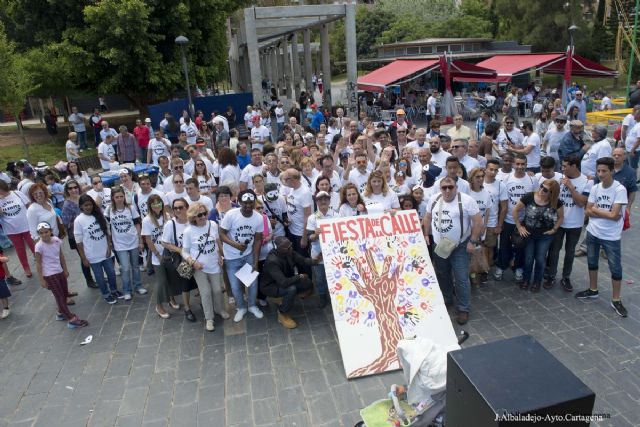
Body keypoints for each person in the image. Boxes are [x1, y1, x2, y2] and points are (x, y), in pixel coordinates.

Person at [423, 176, 483, 325]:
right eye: (444, 187)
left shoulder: (467, 201)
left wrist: (473, 241)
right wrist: (425, 233)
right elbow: (427, 217)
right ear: (440, 189)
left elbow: (478, 222)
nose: (448, 190)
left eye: (451, 187)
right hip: (440, 245)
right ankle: (447, 299)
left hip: (460, 246)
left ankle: (463, 308)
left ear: (456, 187)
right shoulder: (434, 199)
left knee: (462, 277)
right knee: (442, 273)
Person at [576, 157, 628, 318]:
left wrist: (597, 211)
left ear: (612, 171)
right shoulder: (596, 188)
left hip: (611, 236)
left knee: (615, 268)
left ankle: (616, 299)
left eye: (604, 171)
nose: (600, 174)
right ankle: (593, 290)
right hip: (593, 232)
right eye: (598, 171)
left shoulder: (619, 190)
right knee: (592, 262)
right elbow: (587, 211)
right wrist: (600, 212)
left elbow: (614, 215)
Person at [544, 154, 592, 291]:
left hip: (575, 224)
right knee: (554, 250)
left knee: (570, 252)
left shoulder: (587, 182)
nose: (562, 168)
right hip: (558, 223)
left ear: (574, 166)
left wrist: (571, 187)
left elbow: (581, 203)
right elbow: (543, 176)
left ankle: (566, 277)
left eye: (565, 166)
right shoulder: (559, 178)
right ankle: (551, 275)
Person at [182, 202, 228, 331]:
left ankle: (219, 309)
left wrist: (221, 256)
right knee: (206, 292)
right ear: (193, 217)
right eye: (199, 214)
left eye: (204, 213)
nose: (203, 216)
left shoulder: (212, 225)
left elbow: (218, 241)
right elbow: (184, 251)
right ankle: (209, 318)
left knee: (218, 290)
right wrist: (193, 262)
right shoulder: (189, 231)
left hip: (214, 263)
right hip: (199, 267)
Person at [219, 189, 264, 322]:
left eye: (251, 202)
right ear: (239, 202)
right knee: (235, 286)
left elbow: (257, 240)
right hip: (231, 258)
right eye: (245, 202)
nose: (248, 205)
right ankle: (241, 308)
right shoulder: (231, 215)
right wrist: (235, 245)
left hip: (248, 255)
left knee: (252, 283)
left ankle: (252, 306)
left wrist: (255, 262)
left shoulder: (258, 218)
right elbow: (221, 234)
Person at [513, 179, 563, 292]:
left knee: (540, 259)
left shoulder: (556, 202)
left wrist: (554, 229)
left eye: (545, 190)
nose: (541, 190)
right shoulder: (530, 196)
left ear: (552, 193)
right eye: (541, 186)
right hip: (529, 234)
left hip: (545, 236)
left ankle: (537, 282)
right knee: (528, 258)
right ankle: (526, 279)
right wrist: (520, 226)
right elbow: (515, 210)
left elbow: (561, 217)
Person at [35, 222, 88, 328]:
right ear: (39, 234)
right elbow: (38, 263)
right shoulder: (39, 246)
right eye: (41, 233)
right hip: (49, 274)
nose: (44, 235)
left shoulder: (56, 241)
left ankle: (60, 313)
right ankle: (71, 319)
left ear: (50, 231)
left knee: (64, 293)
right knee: (59, 295)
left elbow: (61, 256)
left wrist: (65, 269)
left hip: (59, 271)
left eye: (46, 232)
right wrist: (42, 279)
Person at [495, 154, 535, 282]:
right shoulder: (506, 179)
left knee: (521, 246)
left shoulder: (532, 180)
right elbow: (502, 201)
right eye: (517, 164)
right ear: (513, 164)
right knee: (504, 244)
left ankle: (518, 268)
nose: (520, 167)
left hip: (524, 220)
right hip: (508, 219)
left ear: (526, 165)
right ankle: (501, 266)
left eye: (523, 164)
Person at [260, 236, 315, 329]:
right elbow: (284, 283)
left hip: (284, 280)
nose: (291, 248)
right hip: (271, 287)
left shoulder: (288, 251)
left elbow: (303, 261)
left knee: (308, 283)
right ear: (279, 248)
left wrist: (317, 261)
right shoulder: (272, 261)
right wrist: (299, 276)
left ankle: (286, 299)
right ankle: (282, 313)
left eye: (291, 245)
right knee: (291, 289)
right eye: (288, 247)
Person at [74, 195, 120, 304]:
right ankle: (106, 294)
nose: (88, 207)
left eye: (90, 204)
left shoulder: (99, 215)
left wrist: (109, 247)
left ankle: (114, 290)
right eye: (86, 205)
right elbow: (79, 242)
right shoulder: (78, 220)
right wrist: (84, 258)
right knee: (99, 277)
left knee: (111, 273)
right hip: (92, 254)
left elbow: (107, 232)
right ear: (81, 206)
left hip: (105, 251)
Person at [141, 195, 180, 318]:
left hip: (169, 253)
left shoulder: (167, 217)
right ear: (150, 206)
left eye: (159, 203)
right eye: (154, 204)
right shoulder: (147, 220)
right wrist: (157, 254)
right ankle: (159, 305)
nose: (157, 206)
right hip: (157, 255)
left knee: (171, 278)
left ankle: (171, 298)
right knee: (161, 281)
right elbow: (148, 240)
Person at [105, 187, 146, 300]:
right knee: (125, 268)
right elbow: (107, 226)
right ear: (113, 198)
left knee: (136, 266)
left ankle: (138, 286)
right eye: (116, 197)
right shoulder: (109, 210)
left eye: (121, 196)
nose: (119, 199)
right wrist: (109, 242)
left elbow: (137, 224)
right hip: (119, 244)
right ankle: (126, 290)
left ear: (124, 196)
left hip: (133, 241)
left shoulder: (131, 208)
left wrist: (140, 240)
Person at [162, 198, 199, 321]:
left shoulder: (192, 220)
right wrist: (180, 250)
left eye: (181, 207)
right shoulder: (170, 224)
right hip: (182, 259)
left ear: (187, 207)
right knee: (185, 284)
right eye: (175, 208)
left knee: (200, 280)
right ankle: (187, 308)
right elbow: (165, 242)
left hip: (196, 255)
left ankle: (205, 303)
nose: (178, 210)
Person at [61, 180, 97, 289]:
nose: (73, 190)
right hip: (77, 235)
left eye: (75, 187)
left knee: (93, 255)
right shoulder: (67, 205)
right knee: (84, 257)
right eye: (70, 188)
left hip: (90, 232)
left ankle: (97, 275)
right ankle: (89, 280)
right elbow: (65, 223)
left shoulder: (84, 198)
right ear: (67, 191)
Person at [0, 180, 35, 277]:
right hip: (11, 229)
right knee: (20, 249)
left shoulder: (17, 193)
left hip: (26, 225)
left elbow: (29, 206)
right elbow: (1, 214)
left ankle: (42, 262)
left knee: (33, 245)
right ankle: (26, 268)